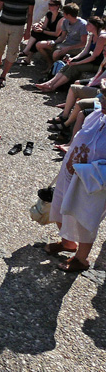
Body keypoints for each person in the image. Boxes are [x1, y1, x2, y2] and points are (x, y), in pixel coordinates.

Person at [45, 81, 106, 272]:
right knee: (60, 205)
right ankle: (68, 243)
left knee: (85, 217)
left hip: (93, 182)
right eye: (103, 95)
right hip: (71, 173)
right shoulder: (98, 115)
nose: (102, 99)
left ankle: (81, 259)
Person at [35, 17, 106, 92]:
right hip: (92, 60)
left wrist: (77, 62)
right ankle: (50, 83)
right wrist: (73, 59)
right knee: (69, 63)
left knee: (75, 67)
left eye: (88, 24)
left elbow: (94, 56)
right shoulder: (92, 35)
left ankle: (53, 87)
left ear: (95, 26)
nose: (86, 26)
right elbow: (85, 51)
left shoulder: (102, 37)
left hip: (99, 64)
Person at [35, 3, 88, 71]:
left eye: (64, 12)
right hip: (65, 44)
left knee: (56, 53)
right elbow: (62, 37)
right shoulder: (65, 21)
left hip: (76, 47)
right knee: (40, 44)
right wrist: (53, 42)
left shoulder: (82, 24)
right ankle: (50, 65)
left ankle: (56, 70)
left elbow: (83, 43)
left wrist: (68, 48)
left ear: (68, 15)